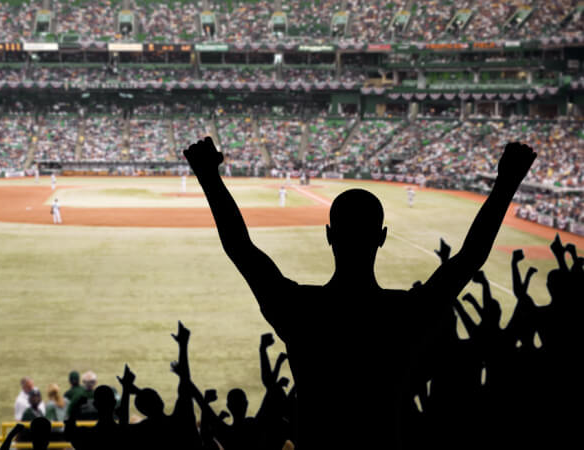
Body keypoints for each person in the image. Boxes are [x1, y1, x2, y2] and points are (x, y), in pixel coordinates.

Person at [184, 137, 536, 448]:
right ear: (381, 237)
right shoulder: (405, 313)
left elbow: (241, 249)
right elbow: (469, 258)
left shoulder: (300, 309)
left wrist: (209, 177)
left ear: (329, 235)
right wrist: (507, 183)